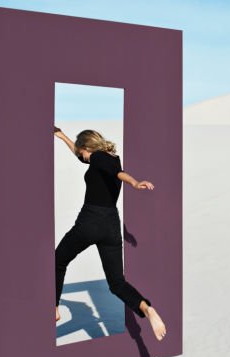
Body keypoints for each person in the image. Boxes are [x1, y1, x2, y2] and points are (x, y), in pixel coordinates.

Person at [53, 126, 167, 341]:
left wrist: (134, 182)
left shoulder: (98, 158)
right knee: (117, 283)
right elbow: (91, 161)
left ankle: (53, 307)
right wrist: (62, 137)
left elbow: (117, 173)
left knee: (58, 260)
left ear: (88, 148)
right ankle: (147, 309)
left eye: (82, 152)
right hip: (111, 225)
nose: (81, 157)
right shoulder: (111, 158)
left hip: (91, 221)